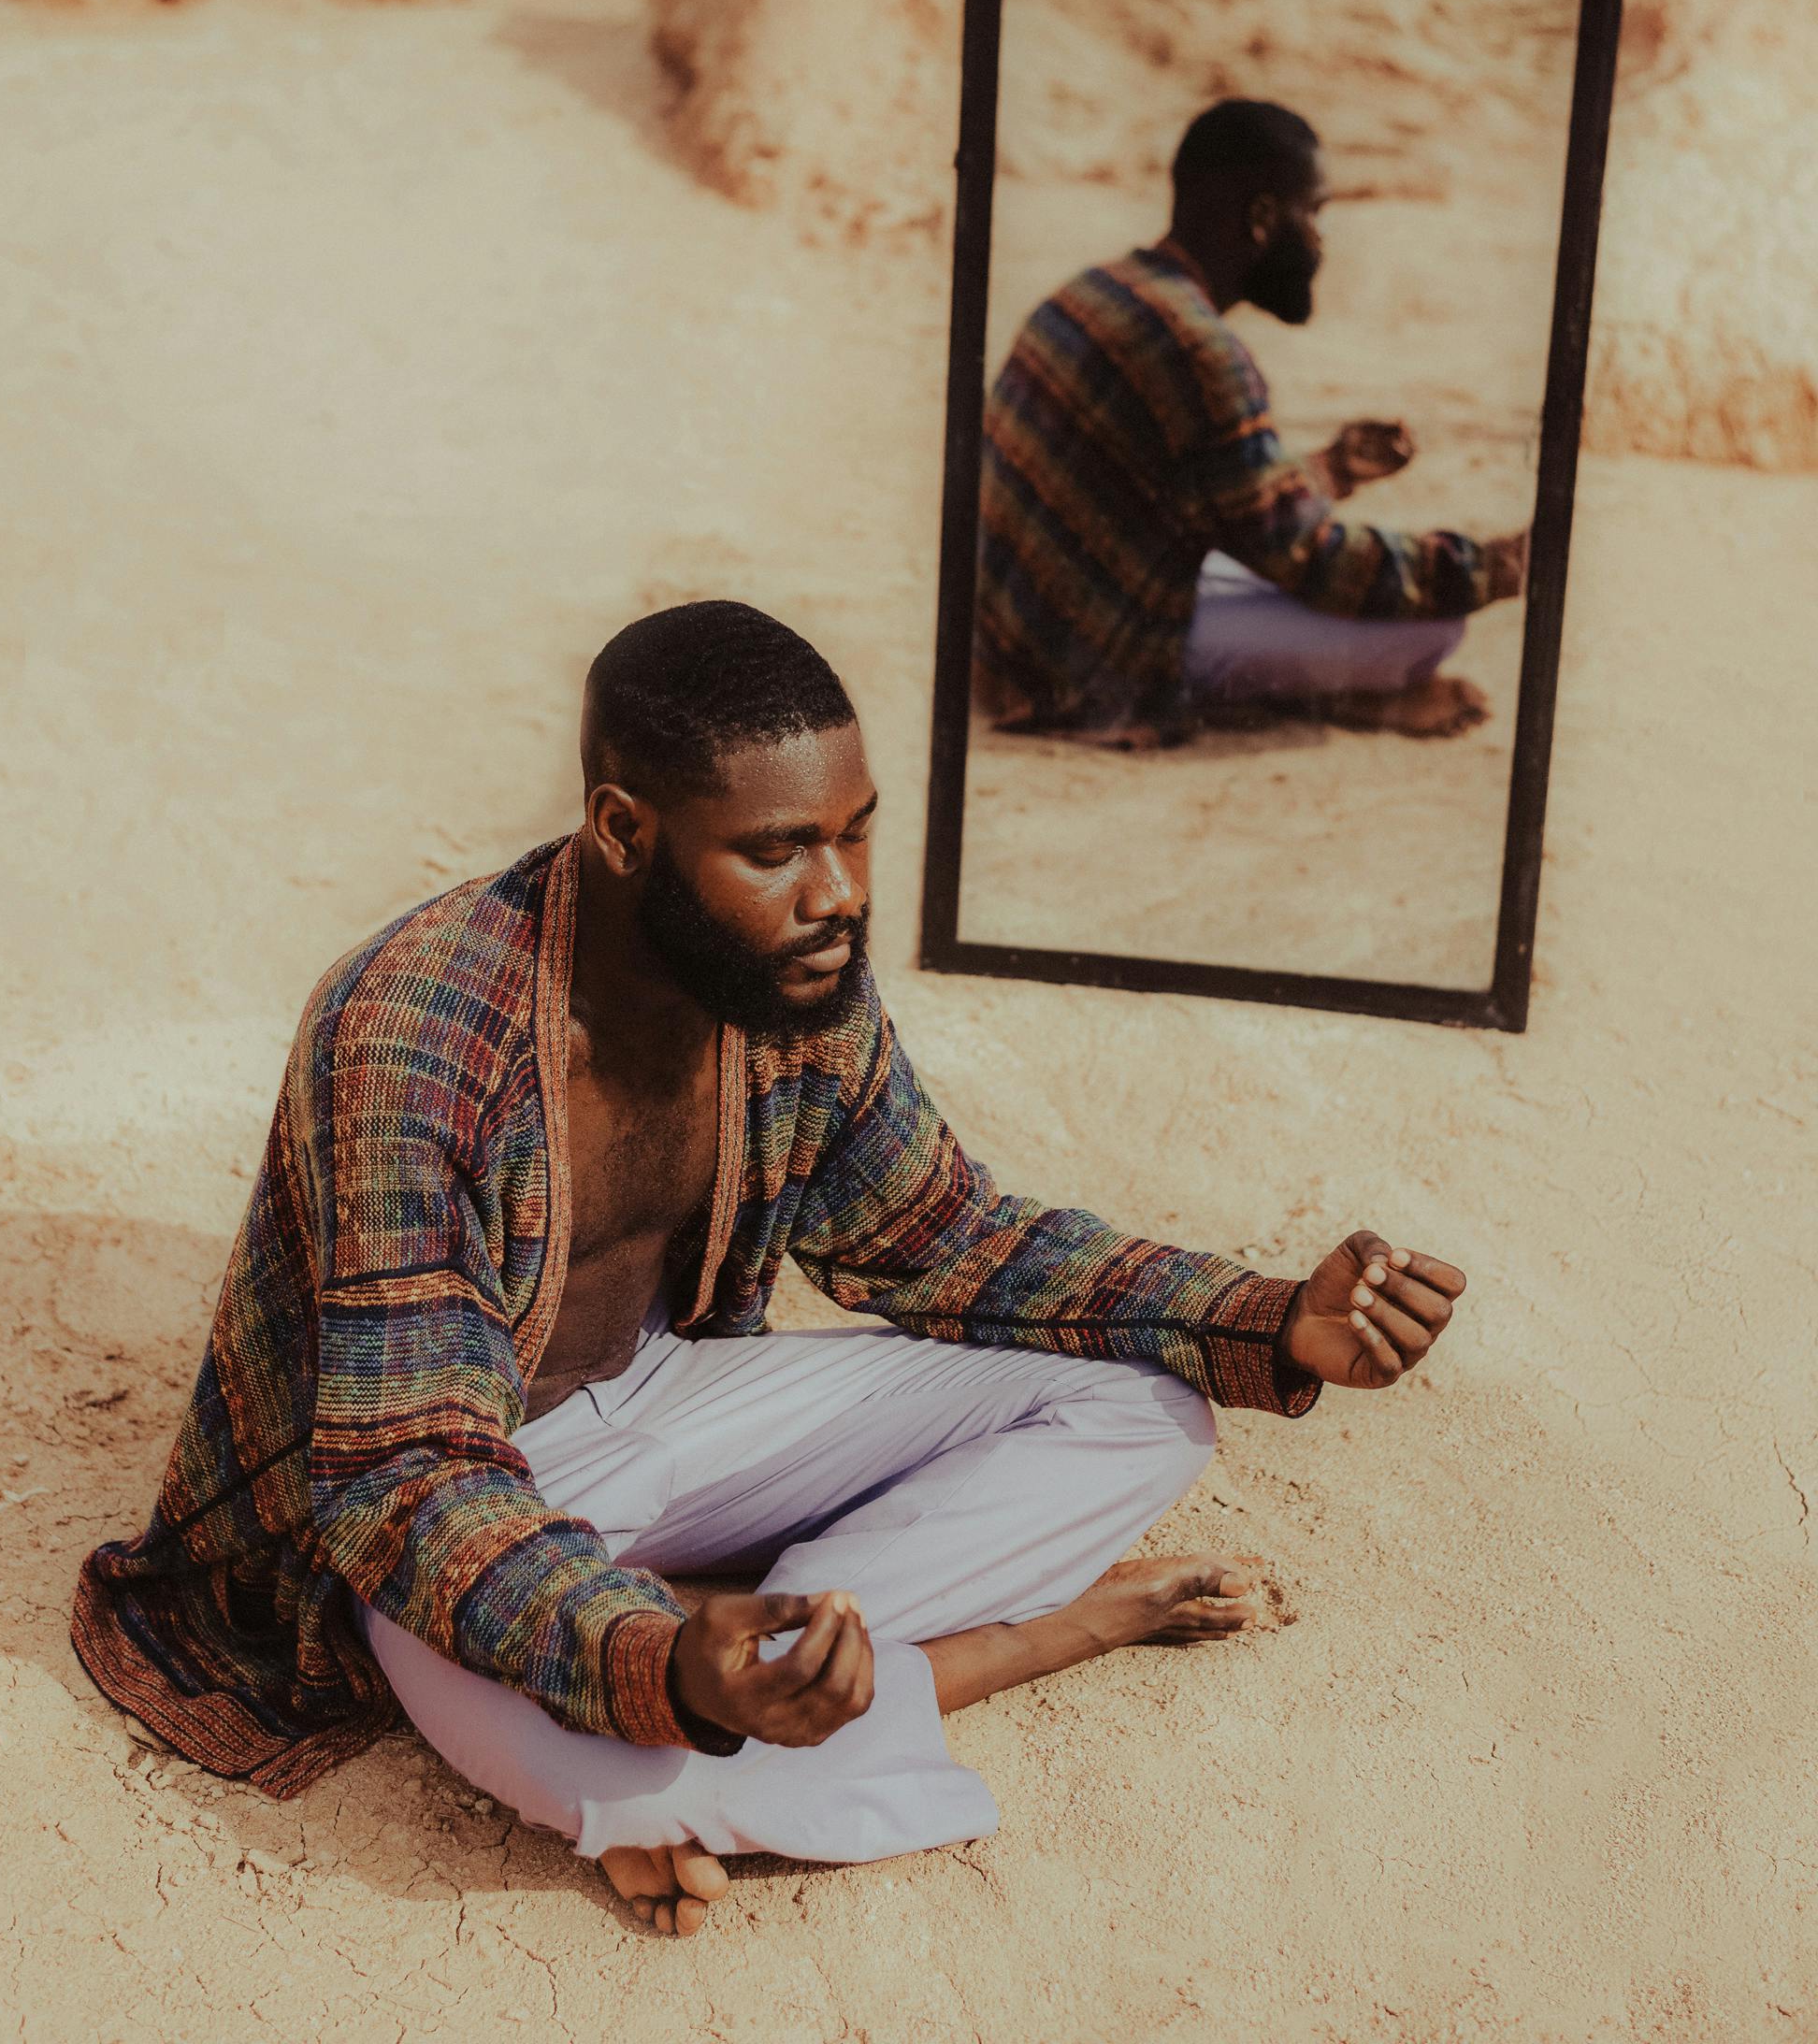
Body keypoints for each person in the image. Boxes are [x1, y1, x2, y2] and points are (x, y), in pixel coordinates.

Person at [74, 599, 1467, 1937]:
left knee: (1147, 1408)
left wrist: (1271, 1319)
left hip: (667, 1401)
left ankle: (750, 1674)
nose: (842, 892)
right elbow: (400, 1479)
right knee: (607, 1747)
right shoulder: (415, 1032)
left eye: (856, 834)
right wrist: (654, 1665)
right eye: (780, 849)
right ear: (625, 830)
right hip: (447, 1503)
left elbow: (949, 1238)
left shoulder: (797, 979)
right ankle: (959, 1651)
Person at [974, 97, 1530, 749]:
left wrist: (1334, 469)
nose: (1322, 239)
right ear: (1264, 218)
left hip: (1012, 635)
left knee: (1311, 578)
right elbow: (1306, 558)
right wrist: (1493, 567)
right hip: (1085, 669)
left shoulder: (1100, 288)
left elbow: (1224, 508)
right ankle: (1357, 696)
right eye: (1315, 212)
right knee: (1432, 629)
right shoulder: (1201, 350)